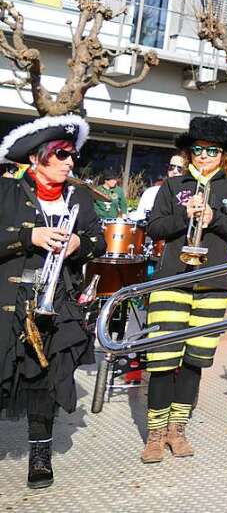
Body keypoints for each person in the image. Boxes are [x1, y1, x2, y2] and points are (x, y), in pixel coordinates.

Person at [140, 116, 227, 463]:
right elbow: (154, 228)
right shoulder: (172, 187)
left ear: (223, 155)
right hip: (172, 280)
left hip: (213, 283)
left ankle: (178, 429)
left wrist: (214, 219)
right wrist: (183, 216)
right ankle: (155, 434)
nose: (204, 156)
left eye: (212, 150)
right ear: (189, 153)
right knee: (162, 360)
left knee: (194, 361)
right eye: (198, 150)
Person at [0, 115, 106, 488]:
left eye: (72, 155)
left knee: (44, 379)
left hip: (57, 301)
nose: (69, 162)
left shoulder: (78, 197)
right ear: (35, 159)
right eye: (60, 154)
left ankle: (40, 454)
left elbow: (99, 240)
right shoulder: (6, 191)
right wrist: (30, 237)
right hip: (9, 299)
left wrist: (80, 243)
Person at [129, 154, 186, 222]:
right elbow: (140, 215)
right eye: (172, 167)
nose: (175, 171)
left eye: (179, 168)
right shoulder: (151, 192)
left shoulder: (190, 194)